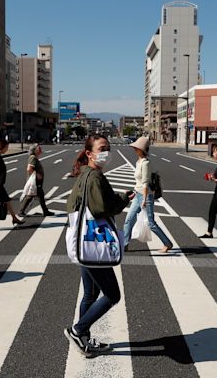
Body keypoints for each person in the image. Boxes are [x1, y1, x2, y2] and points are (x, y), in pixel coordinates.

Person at [64, 134, 134, 358]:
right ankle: (78, 330)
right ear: (89, 153)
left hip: (85, 244)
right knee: (112, 295)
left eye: (108, 147)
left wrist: (119, 197)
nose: (106, 152)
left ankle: (84, 340)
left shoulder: (85, 175)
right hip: (94, 244)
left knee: (90, 294)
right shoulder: (94, 176)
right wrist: (123, 199)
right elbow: (101, 209)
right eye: (102, 148)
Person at [123, 136, 173, 253]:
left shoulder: (145, 163)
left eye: (137, 148)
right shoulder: (138, 161)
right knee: (128, 219)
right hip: (138, 195)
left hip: (146, 196)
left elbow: (145, 183)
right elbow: (139, 182)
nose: (135, 149)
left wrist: (144, 199)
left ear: (143, 149)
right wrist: (134, 191)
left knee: (151, 223)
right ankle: (125, 244)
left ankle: (167, 243)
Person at [18, 143, 54, 217]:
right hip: (34, 181)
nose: (40, 149)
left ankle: (45, 211)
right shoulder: (33, 158)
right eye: (39, 148)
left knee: (39, 195)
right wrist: (38, 174)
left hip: (36, 181)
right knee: (30, 195)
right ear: (34, 150)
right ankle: (21, 211)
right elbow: (29, 169)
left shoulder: (34, 158)